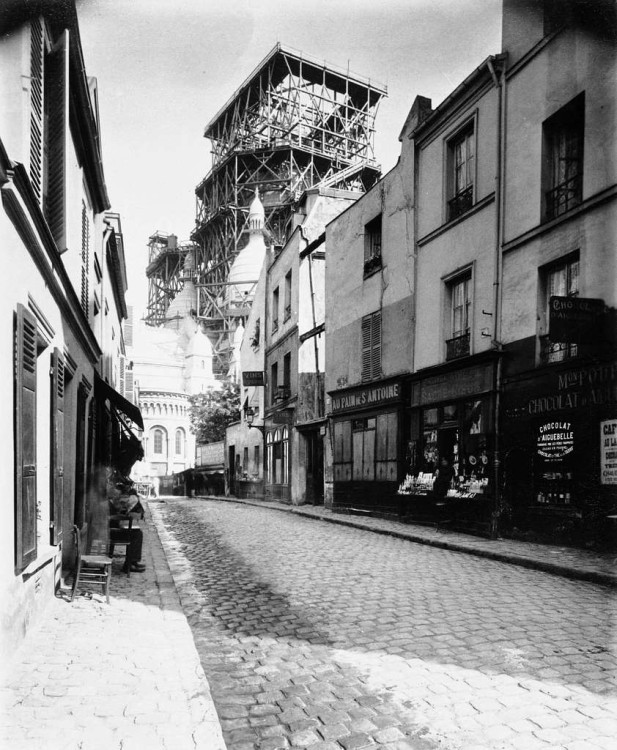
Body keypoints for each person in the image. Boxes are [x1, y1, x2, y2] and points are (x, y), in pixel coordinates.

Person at [106, 470, 146, 573]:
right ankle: (131, 563)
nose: (116, 491)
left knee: (137, 533)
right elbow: (111, 518)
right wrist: (124, 516)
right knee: (137, 534)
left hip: (110, 530)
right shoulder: (108, 503)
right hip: (110, 533)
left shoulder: (110, 501)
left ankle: (132, 562)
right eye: (112, 487)